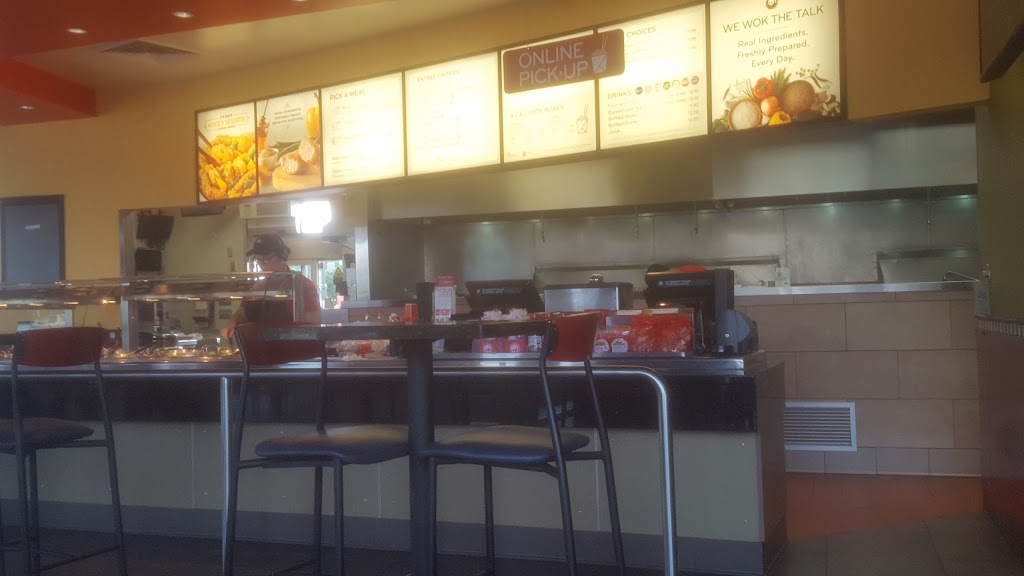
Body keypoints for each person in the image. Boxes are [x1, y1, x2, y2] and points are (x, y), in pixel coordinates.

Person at [221, 234, 322, 341]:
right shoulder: (256, 287)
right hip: (257, 346)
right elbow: (242, 313)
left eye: (267, 259)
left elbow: (312, 328)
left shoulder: (303, 286)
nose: (262, 264)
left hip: (289, 347)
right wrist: (233, 322)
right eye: (258, 259)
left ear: (283, 257)